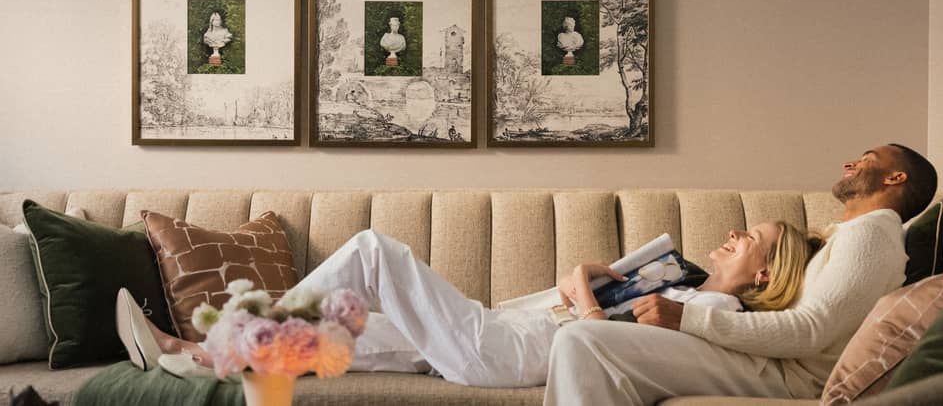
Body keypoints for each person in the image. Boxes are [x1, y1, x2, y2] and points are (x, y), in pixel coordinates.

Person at [117, 219, 814, 388]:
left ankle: (210, 344)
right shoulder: (683, 285)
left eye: (750, 238)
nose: (732, 235)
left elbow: (613, 355)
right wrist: (595, 287)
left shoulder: (716, 315)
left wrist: (580, 292)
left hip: (513, 350)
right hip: (512, 329)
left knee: (371, 251)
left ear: (763, 276)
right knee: (347, 330)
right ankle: (203, 358)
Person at [544, 143, 938, 405]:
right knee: (585, 342)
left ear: (895, 178)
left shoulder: (873, 234)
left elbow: (811, 330)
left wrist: (688, 316)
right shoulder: (850, 233)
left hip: (788, 376)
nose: (850, 164)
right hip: (768, 360)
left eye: (867, 159)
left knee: (585, 341)